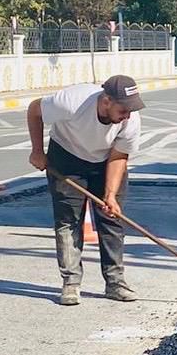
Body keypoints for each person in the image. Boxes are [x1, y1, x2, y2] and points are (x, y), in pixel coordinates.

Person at [27, 74, 146, 307]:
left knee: (112, 219)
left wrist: (110, 195)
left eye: (131, 110)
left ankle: (115, 282)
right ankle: (71, 283)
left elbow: (119, 155)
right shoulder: (71, 102)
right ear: (106, 102)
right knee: (68, 220)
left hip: (106, 161)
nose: (128, 115)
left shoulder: (130, 120)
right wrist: (37, 150)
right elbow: (34, 110)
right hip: (66, 157)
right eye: (123, 110)